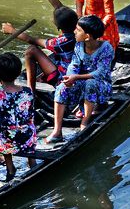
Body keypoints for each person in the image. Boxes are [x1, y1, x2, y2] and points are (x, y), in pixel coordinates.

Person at [45, 15, 114, 144]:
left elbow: (101, 72)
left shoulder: (106, 48)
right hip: (81, 81)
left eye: (78, 29)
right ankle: (57, 130)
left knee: (91, 83)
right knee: (61, 87)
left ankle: (85, 121)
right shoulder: (79, 45)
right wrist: (70, 78)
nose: (74, 32)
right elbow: (74, 65)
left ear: (87, 36)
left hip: (101, 85)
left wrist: (76, 77)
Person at [2, 5, 78, 92]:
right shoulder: (82, 34)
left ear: (58, 27)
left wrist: (12, 31)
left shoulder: (59, 43)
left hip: (64, 79)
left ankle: (30, 90)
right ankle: (42, 79)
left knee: (31, 50)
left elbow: (31, 39)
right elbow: (59, 5)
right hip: (76, 73)